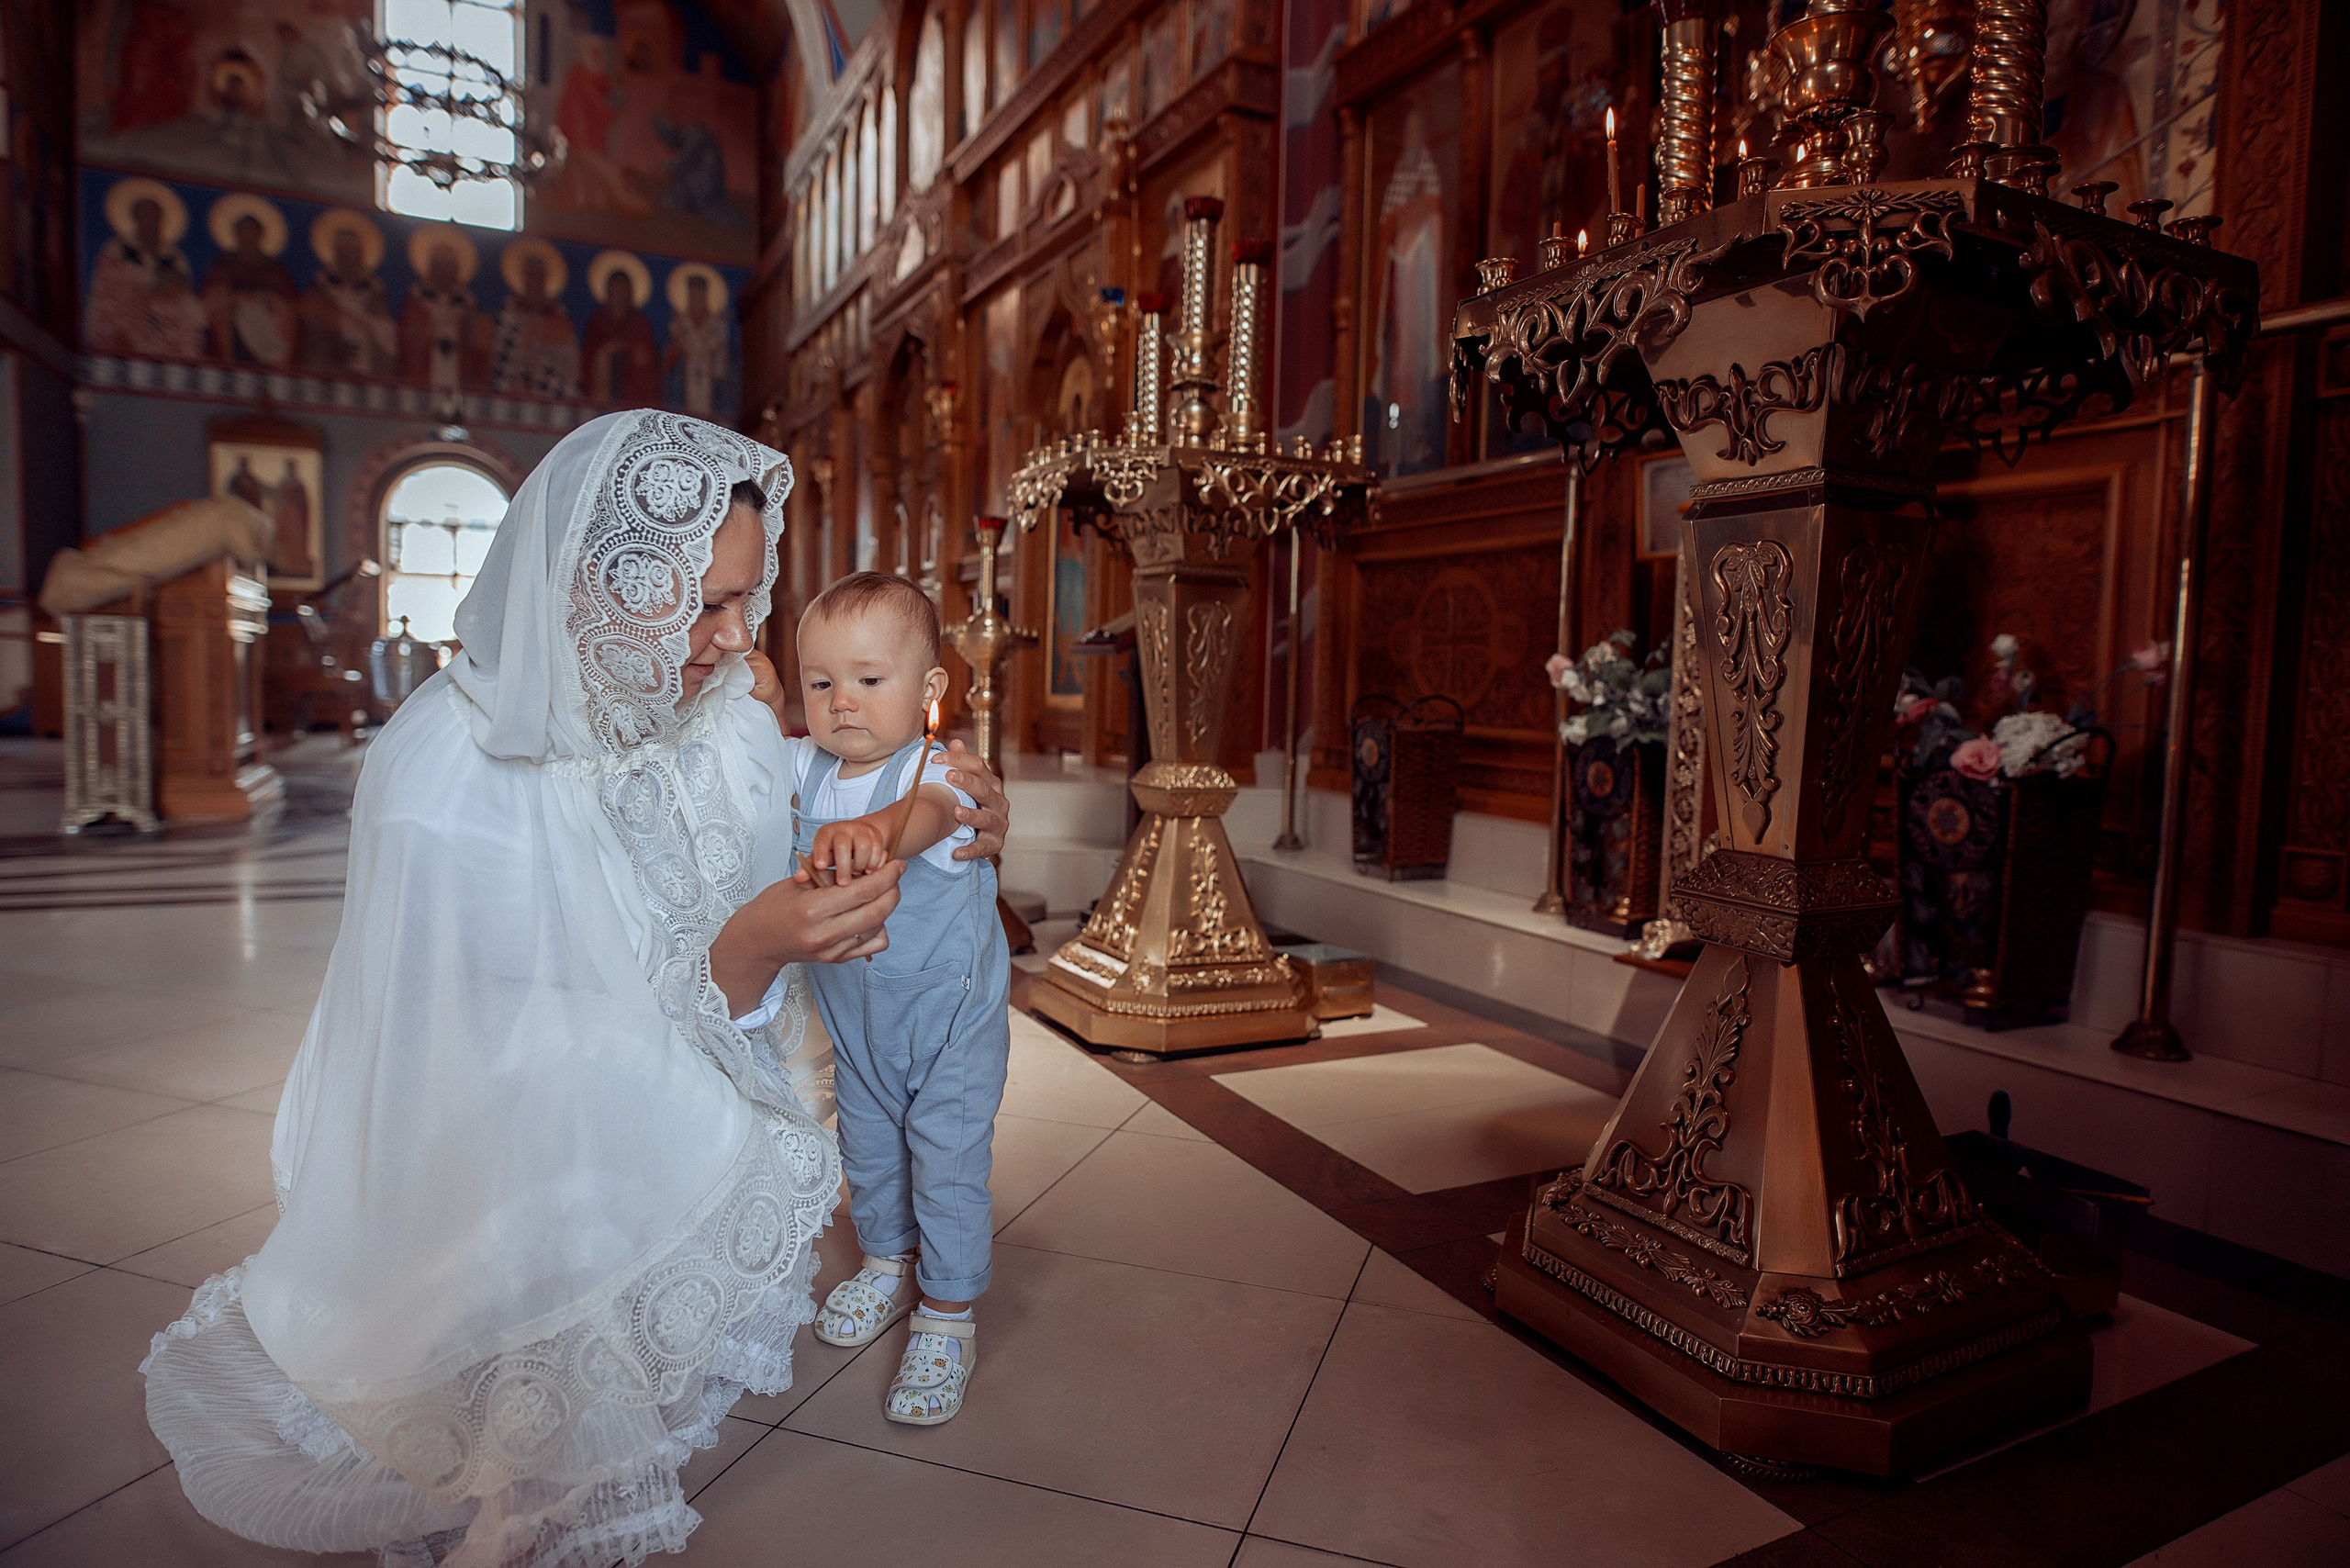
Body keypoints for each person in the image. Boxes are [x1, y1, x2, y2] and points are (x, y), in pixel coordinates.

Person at [139, 410, 1013, 1566]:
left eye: (744, 602)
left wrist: (959, 805)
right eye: (702, 602)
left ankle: (913, 1289)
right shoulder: (445, 772)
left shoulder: (725, 719)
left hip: (717, 1066)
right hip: (515, 1143)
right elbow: (511, 1064)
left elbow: (852, 809)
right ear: (594, 582)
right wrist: (752, 946)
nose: (732, 640)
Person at [785, 571, 1012, 1427]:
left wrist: (878, 829)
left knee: (946, 1163)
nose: (841, 701)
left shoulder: (941, 772)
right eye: (820, 682)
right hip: (856, 1020)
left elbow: (928, 817)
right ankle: (887, 1262)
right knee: (871, 1148)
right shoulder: (805, 770)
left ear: (928, 688)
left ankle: (948, 1314)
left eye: (869, 679)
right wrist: (759, 691)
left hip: (948, 1021)